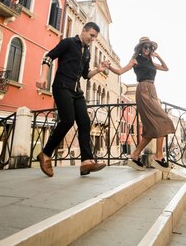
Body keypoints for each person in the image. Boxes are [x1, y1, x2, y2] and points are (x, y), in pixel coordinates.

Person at [35, 22, 108, 177]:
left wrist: (98, 70)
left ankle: (86, 162)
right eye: (92, 35)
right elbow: (49, 57)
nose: (93, 39)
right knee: (68, 120)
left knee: (84, 122)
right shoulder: (68, 43)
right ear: (84, 31)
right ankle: (46, 154)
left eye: (95, 37)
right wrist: (43, 76)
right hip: (62, 86)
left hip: (77, 90)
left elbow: (85, 75)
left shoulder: (87, 52)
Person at [106, 37, 175, 171]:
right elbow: (120, 71)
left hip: (153, 90)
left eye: (150, 47)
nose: (148, 49)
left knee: (150, 129)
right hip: (143, 90)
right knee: (163, 120)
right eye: (145, 47)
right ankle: (158, 156)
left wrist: (158, 57)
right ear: (140, 48)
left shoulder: (151, 62)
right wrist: (109, 67)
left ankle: (135, 155)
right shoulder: (135, 60)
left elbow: (166, 68)